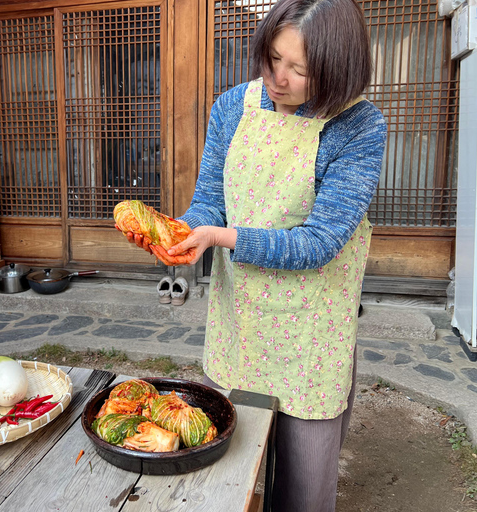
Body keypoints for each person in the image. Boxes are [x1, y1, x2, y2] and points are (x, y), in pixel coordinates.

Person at [122, 0, 387, 510]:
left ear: (337, 73)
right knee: (228, 472)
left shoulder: (358, 126)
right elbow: (209, 203)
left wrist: (222, 239)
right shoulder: (231, 108)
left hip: (312, 331)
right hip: (241, 320)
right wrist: (178, 234)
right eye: (271, 58)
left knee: (303, 488)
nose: (278, 79)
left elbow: (320, 242)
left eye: (299, 70)